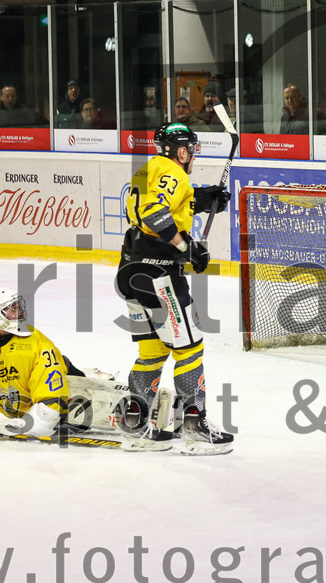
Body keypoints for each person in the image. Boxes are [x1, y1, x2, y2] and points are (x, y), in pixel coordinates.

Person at [0, 288, 172, 450]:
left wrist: (42, 417)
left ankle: (143, 402)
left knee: (88, 402)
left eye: (19, 308)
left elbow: (51, 386)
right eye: (11, 309)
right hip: (21, 402)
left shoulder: (36, 343)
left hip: (53, 382)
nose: (19, 313)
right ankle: (90, 374)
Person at [115, 122, 233, 453]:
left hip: (132, 272)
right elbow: (155, 214)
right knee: (189, 348)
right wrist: (187, 247)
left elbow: (148, 205)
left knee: (151, 352)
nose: (193, 155)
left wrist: (200, 199)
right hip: (160, 277)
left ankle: (136, 427)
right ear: (181, 151)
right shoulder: (175, 174)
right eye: (191, 149)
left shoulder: (147, 168)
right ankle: (194, 426)